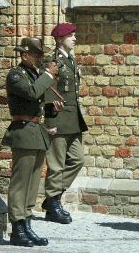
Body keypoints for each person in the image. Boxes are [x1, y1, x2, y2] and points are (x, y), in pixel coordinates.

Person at [2, 37, 60, 246]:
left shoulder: (34, 74)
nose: (39, 59)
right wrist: (48, 75)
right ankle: (17, 228)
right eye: (36, 55)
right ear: (25, 55)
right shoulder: (16, 74)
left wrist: (52, 107)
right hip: (23, 131)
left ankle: (26, 223)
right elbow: (32, 92)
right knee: (20, 183)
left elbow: (39, 101)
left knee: (33, 182)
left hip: (36, 131)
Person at [42, 23, 88, 224]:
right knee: (56, 164)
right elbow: (46, 92)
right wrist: (50, 121)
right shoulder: (53, 61)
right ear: (60, 39)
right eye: (71, 36)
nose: (75, 38)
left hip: (73, 118)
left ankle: (52, 199)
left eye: (74, 35)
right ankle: (53, 203)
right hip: (58, 119)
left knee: (78, 159)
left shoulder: (70, 59)